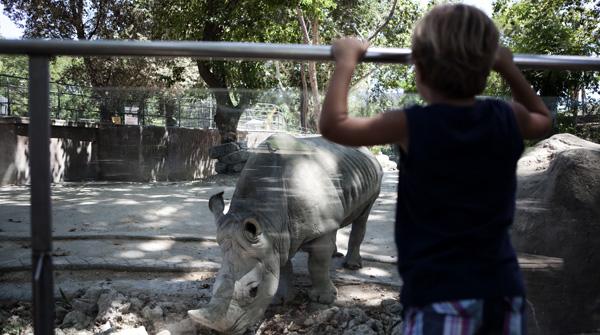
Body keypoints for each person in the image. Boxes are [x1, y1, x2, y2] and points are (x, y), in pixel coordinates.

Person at [319, 3, 551, 334]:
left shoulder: (410, 125)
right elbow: (543, 119)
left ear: (420, 70)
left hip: (438, 293)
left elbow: (333, 126)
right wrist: (508, 67)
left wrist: (346, 60)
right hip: (502, 288)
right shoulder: (506, 117)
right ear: (487, 68)